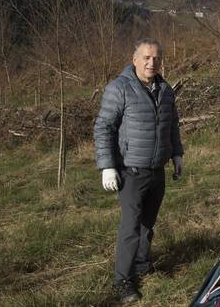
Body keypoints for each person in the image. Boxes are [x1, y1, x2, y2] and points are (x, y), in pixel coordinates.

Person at [94, 38, 183, 303]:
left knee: (148, 224)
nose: (151, 63)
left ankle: (143, 264)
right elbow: (103, 127)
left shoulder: (165, 89)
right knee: (131, 226)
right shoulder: (119, 88)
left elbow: (172, 125)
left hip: (158, 169)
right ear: (134, 60)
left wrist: (177, 154)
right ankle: (123, 279)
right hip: (130, 170)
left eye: (156, 58)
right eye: (146, 57)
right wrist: (107, 166)